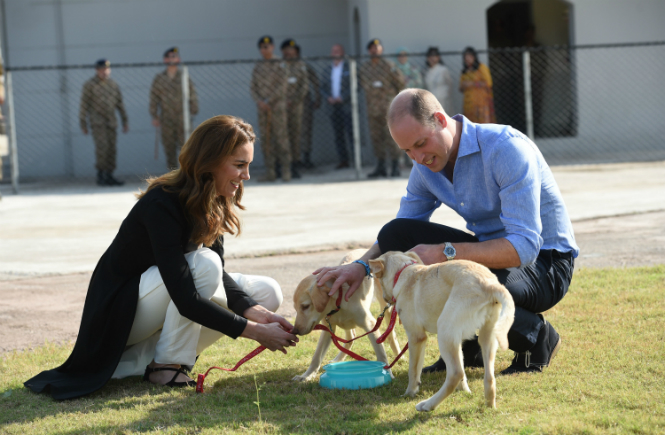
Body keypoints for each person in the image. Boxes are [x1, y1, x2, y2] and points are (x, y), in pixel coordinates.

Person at [24, 115, 298, 400]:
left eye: (248, 165)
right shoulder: (161, 203)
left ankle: (142, 363)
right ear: (209, 162)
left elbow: (217, 277)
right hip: (118, 314)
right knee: (204, 264)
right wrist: (254, 331)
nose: (246, 176)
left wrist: (254, 311)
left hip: (163, 298)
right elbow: (186, 296)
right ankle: (165, 366)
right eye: (239, 165)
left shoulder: (214, 198)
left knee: (266, 292)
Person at [314, 88, 578, 375]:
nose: (417, 158)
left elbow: (523, 247)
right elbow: (398, 235)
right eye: (407, 151)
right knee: (397, 235)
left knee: (466, 279)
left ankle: (537, 336)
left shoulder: (506, 149)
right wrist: (361, 267)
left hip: (547, 263)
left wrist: (444, 253)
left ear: (440, 120)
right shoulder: (425, 163)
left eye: (420, 144)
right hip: (494, 254)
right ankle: (467, 349)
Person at [358, 38, 405, 178]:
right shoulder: (365, 68)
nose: (375, 50)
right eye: (372, 48)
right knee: (376, 137)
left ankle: (395, 166)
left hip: (388, 109)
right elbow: (363, 85)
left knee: (391, 137)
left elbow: (400, 83)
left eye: (377, 48)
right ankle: (381, 166)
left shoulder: (389, 65)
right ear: (369, 50)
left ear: (381, 50)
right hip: (373, 109)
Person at [79, 59, 129, 186]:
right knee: (102, 149)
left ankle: (110, 175)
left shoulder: (113, 85)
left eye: (106, 69)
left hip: (111, 122)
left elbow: (120, 104)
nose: (104, 72)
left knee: (112, 149)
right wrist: (83, 124)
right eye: (101, 70)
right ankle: (101, 175)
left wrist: (125, 121)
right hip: (98, 123)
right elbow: (83, 105)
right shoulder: (90, 85)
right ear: (97, 70)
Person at [149, 47, 199, 170]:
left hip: (183, 117)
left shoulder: (184, 76)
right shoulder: (159, 78)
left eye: (174, 57)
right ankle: (172, 175)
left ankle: (186, 173)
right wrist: (154, 115)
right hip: (167, 118)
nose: (171, 59)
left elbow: (192, 94)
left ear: (178, 59)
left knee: (186, 147)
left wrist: (193, 110)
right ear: (165, 60)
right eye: (169, 57)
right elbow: (154, 98)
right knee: (169, 147)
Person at [250, 36, 291, 182]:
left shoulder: (280, 63)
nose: (264, 49)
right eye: (261, 47)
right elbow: (253, 87)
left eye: (266, 47)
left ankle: (286, 171)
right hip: (263, 109)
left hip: (277, 108)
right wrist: (259, 101)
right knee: (266, 140)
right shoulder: (258, 66)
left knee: (281, 139)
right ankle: (271, 172)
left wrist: (269, 100)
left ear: (272, 47)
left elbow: (282, 86)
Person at [320, 43, 353, 170]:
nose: (336, 53)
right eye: (333, 51)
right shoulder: (327, 70)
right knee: (338, 135)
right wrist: (328, 97)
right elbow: (322, 87)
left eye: (338, 50)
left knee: (351, 134)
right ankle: (343, 160)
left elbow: (355, 85)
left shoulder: (349, 67)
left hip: (347, 106)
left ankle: (356, 161)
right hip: (333, 107)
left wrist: (343, 97)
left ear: (343, 53)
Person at [281, 39, 309, 179]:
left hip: (296, 107)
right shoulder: (279, 65)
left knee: (295, 135)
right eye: (286, 50)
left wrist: (294, 100)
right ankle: (282, 165)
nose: (289, 52)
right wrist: (281, 100)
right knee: (281, 136)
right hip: (279, 107)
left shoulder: (300, 66)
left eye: (291, 50)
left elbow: (304, 86)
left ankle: (294, 165)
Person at [295, 44, 321, 170]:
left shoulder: (304, 66)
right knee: (292, 132)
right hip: (288, 106)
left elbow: (315, 81)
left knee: (305, 131)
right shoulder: (282, 66)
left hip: (304, 104)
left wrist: (317, 98)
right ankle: (294, 160)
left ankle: (306, 158)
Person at [459, 46, 496, 124]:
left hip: (481, 103)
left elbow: (488, 83)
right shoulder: (464, 71)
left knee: (482, 125)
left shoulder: (481, 68)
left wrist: (473, 84)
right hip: (468, 104)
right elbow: (460, 88)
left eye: (469, 56)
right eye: (466, 57)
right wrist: (464, 85)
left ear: (474, 57)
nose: (467, 59)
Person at [424, 46, 455, 115]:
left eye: (434, 56)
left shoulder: (443, 70)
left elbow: (450, 84)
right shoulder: (427, 72)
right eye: (430, 56)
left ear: (438, 57)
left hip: (443, 100)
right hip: (431, 101)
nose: (432, 58)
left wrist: (447, 97)